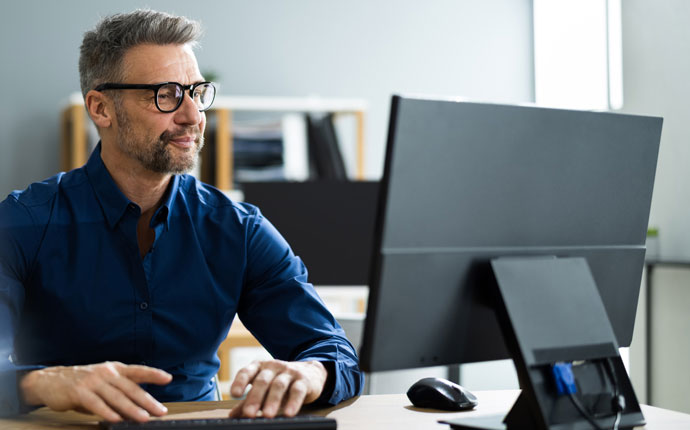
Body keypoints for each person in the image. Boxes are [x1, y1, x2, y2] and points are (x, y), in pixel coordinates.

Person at [0, 9, 363, 423]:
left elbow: (335, 354)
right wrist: (43, 383)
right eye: (167, 94)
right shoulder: (21, 223)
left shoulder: (239, 230)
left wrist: (310, 372)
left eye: (197, 92)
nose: (192, 116)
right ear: (101, 109)